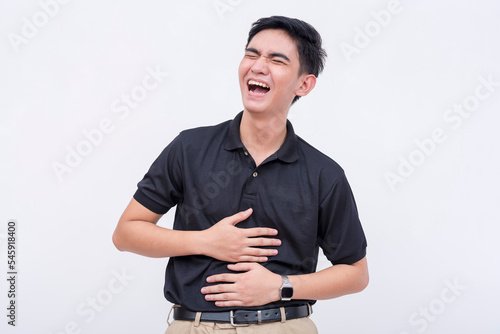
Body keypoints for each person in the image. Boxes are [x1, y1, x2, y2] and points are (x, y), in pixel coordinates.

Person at [112, 15, 368, 333]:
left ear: (304, 83)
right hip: (194, 326)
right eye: (252, 54)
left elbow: (356, 273)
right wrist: (206, 242)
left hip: (282, 326)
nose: (258, 66)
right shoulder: (190, 148)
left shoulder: (323, 174)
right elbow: (126, 233)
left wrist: (281, 286)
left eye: (277, 59)